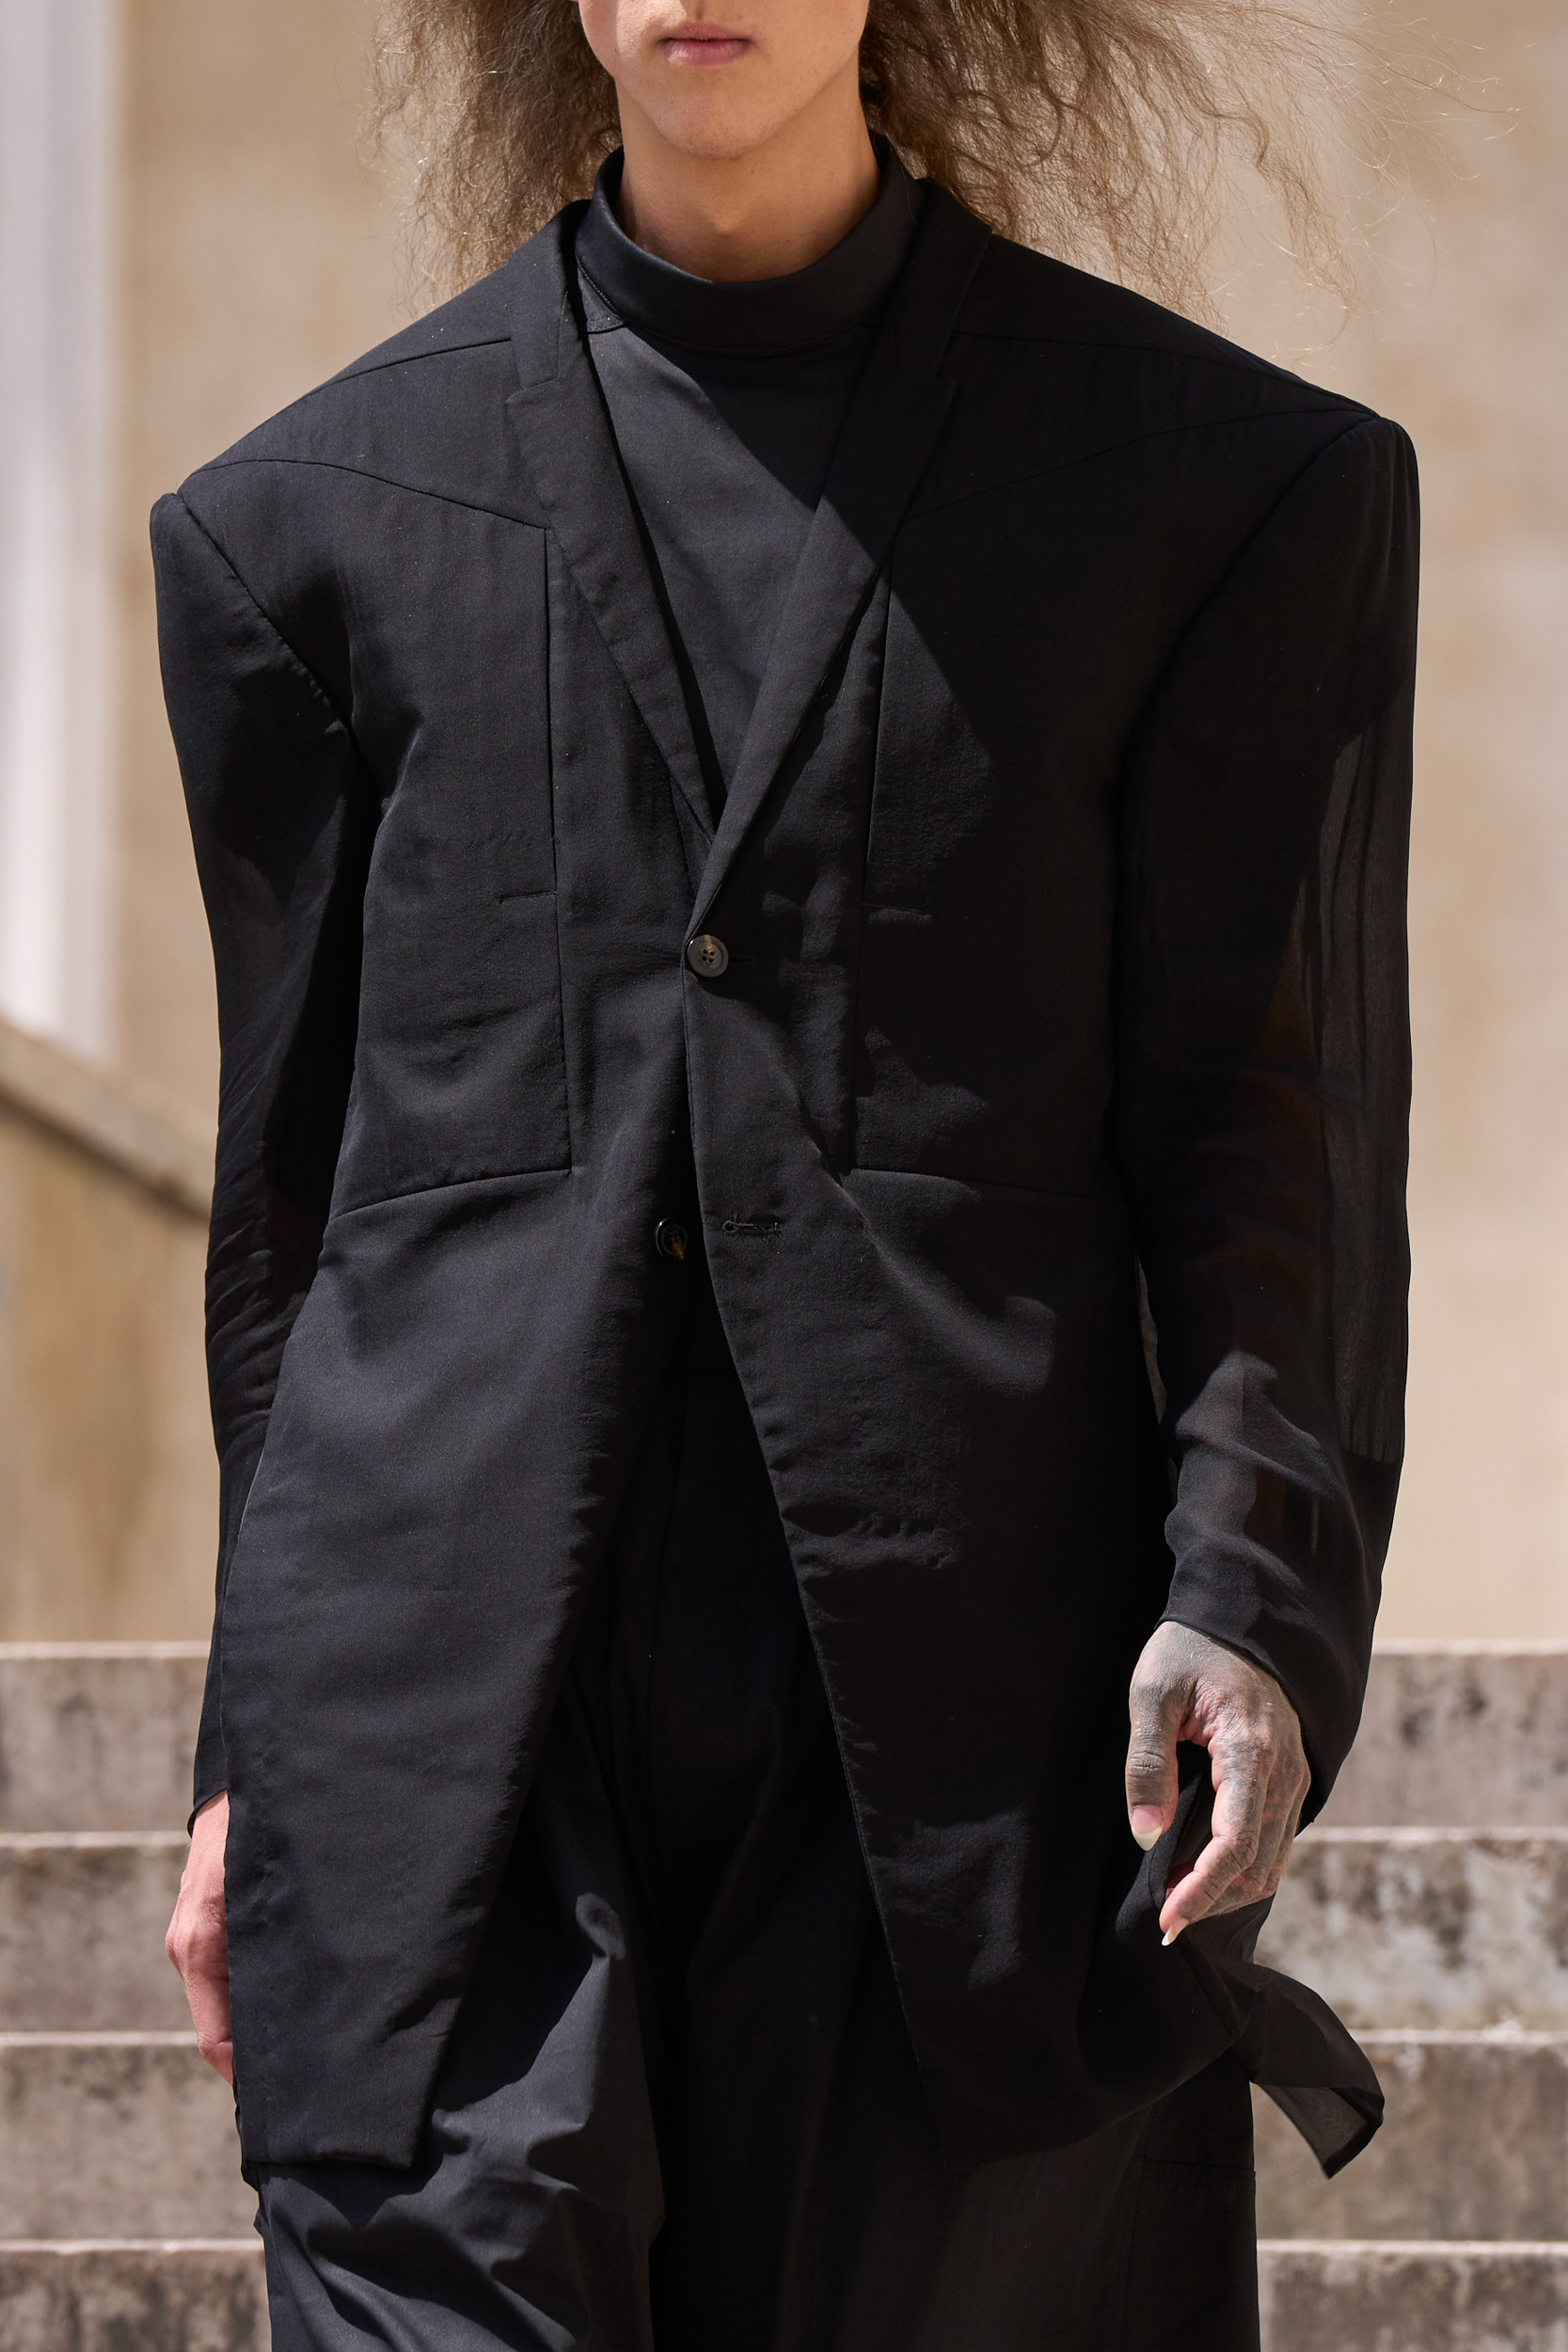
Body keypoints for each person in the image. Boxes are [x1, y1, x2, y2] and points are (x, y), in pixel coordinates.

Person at [160, 0, 1418, 2342]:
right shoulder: (297, 531)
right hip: (449, 1741)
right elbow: (294, 1226)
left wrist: (1253, 1588)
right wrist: (257, 1752)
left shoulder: (1218, 495)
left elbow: (1272, 1128)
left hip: (967, 1727)